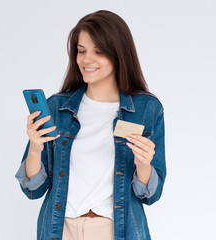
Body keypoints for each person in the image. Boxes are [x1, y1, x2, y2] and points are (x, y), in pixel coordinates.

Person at [15, 10, 166, 240]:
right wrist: (35, 148)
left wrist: (143, 165)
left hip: (115, 232)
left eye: (99, 51)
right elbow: (33, 189)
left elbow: (149, 195)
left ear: (119, 55)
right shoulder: (57, 108)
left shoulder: (146, 109)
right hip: (60, 230)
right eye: (81, 51)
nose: (86, 60)